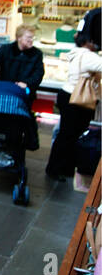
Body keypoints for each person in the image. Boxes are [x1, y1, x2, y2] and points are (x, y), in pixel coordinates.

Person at [46, 31, 102, 180]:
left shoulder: (76, 53)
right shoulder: (88, 56)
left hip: (67, 95)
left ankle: (62, 168)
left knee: (67, 134)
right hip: (77, 98)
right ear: (88, 41)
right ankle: (56, 169)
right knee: (69, 135)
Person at [0, 25, 44, 94]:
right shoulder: (6, 49)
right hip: (4, 90)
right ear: (19, 38)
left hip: (24, 93)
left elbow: (38, 73)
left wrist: (27, 84)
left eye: (33, 37)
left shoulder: (37, 54)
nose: (31, 40)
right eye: (29, 37)